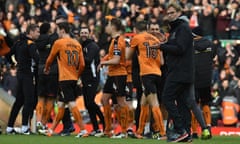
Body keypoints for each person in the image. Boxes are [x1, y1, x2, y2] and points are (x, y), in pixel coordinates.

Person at [159, 3, 211, 142]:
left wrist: (161, 46)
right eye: (167, 13)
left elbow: (180, 49)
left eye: (171, 13)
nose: (169, 15)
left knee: (167, 98)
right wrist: (166, 43)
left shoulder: (182, 28)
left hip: (179, 71)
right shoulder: (177, 29)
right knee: (183, 104)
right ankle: (186, 134)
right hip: (182, 71)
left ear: (178, 12)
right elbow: (177, 46)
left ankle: (179, 129)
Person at [42, 22, 87, 137]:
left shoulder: (59, 43)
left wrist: (46, 68)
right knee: (61, 104)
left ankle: (83, 130)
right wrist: (77, 75)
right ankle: (51, 130)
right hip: (73, 77)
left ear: (62, 30)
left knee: (71, 103)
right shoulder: (77, 44)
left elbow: (50, 58)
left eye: (58, 30)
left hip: (64, 78)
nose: (57, 32)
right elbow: (82, 64)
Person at [126, 20, 165, 139]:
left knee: (154, 103)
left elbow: (128, 57)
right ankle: (139, 131)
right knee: (143, 102)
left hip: (147, 74)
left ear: (135, 30)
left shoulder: (137, 38)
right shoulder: (156, 39)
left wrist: (129, 46)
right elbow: (162, 62)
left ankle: (162, 133)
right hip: (158, 73)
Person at [95, 18, 129, 138]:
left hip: (119, 74)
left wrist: (104, 64)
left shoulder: (118, 41)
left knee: (120, 102)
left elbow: (116, 60)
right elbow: (111, 55)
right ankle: (107, 130)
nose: (107, 27)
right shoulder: (114, 40)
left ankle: (124, 131)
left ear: (113, 27)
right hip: (112, 74)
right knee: (104, 99)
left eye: (108, 24)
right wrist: (103, 60)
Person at [6, 24, 40, 135]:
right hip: (28, 75)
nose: (38, 34)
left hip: (20, 75)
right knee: (29, 100)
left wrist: (13, 63)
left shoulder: (18, 43)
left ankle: (9, 127)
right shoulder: (31, 44)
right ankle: (25, 127)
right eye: (37, 32)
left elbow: (7, 55)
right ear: (30, 32)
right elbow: (37, 59)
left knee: (19, 101)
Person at [79, 26, 105, 136]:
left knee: (90, 102)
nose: (83, 34)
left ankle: (104, 122)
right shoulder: (82, 46)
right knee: (87, 104)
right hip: (85, 78)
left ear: (89, 33)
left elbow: (88, 60)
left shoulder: (93, 46)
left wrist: (76, 57)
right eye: (82, 32)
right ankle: (96, 128)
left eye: (85, 32)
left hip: (92, 78)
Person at [191, 26, 215, 138]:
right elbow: (213, 56)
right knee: (206, 103)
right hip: (207, 79)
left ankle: (195, 131)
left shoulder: (190, 45)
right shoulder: (210, 44)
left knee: (194, 105)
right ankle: (208, 128)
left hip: (194, 78)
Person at [35, 22, 58, 133]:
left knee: (40, 98)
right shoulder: (53, 38)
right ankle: (44, 124)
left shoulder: (38, 39)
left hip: (40, 70)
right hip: (52, 70)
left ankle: (38, 122)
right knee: (50, 98)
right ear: (49, 29)